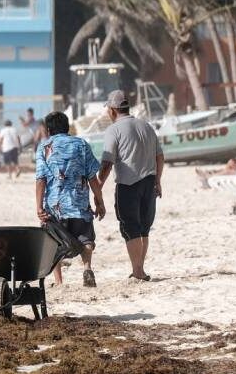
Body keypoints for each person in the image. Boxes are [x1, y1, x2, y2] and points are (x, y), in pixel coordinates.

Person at [97, 89, 164, 282]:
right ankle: (139, 268)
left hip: (128, 184)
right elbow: (160, 156)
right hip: (149, 182)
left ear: (112, 110)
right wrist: (158, 181)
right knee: (144, 228)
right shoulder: (146, 126)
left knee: (130, 227)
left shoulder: (114, 130)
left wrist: (98, 187)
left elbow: (107, 163)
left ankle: (138, 271)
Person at [35, 111, 106, 287]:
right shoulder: (81, 144)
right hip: (79, 203)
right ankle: (87, 268)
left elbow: (41, 180)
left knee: (54, 243)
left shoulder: (44, 147)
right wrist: (99, 201)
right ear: (67, 127)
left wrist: (39, 207)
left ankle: (59, 282)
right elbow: (92, 177)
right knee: (86, 238)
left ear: (48, 130)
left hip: (55, 206)